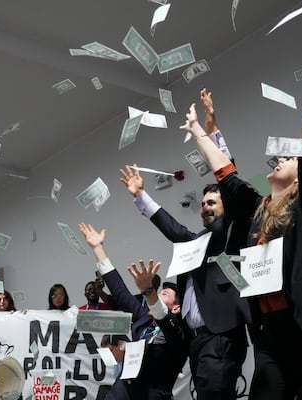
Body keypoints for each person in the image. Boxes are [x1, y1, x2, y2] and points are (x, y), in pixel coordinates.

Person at [180, 18, 302, 399]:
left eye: (289, 160)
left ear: (300, 178)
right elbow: (224, 172)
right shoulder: (255, 208)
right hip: (269, 336)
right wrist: (198, 131)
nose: (281, 159)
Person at [119, 90, 250, 400]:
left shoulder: (228, 233)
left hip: (221, 336)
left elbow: (230, 184)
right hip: (197, 342)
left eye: (212, 202)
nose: (205, 207)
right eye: (203, 203)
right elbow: (171, 227)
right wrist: (140, 196)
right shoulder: (196, 242)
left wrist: (211, 131)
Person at [78, 222, 187, 400]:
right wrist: (98, 249)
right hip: (119, 394)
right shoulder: (143, 319)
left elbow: (163, 318)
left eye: (164, 294)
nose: (159, 295)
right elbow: (120, 292)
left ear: (176, 307)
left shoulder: (179, 332)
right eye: (159, 292)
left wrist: (149, 292)